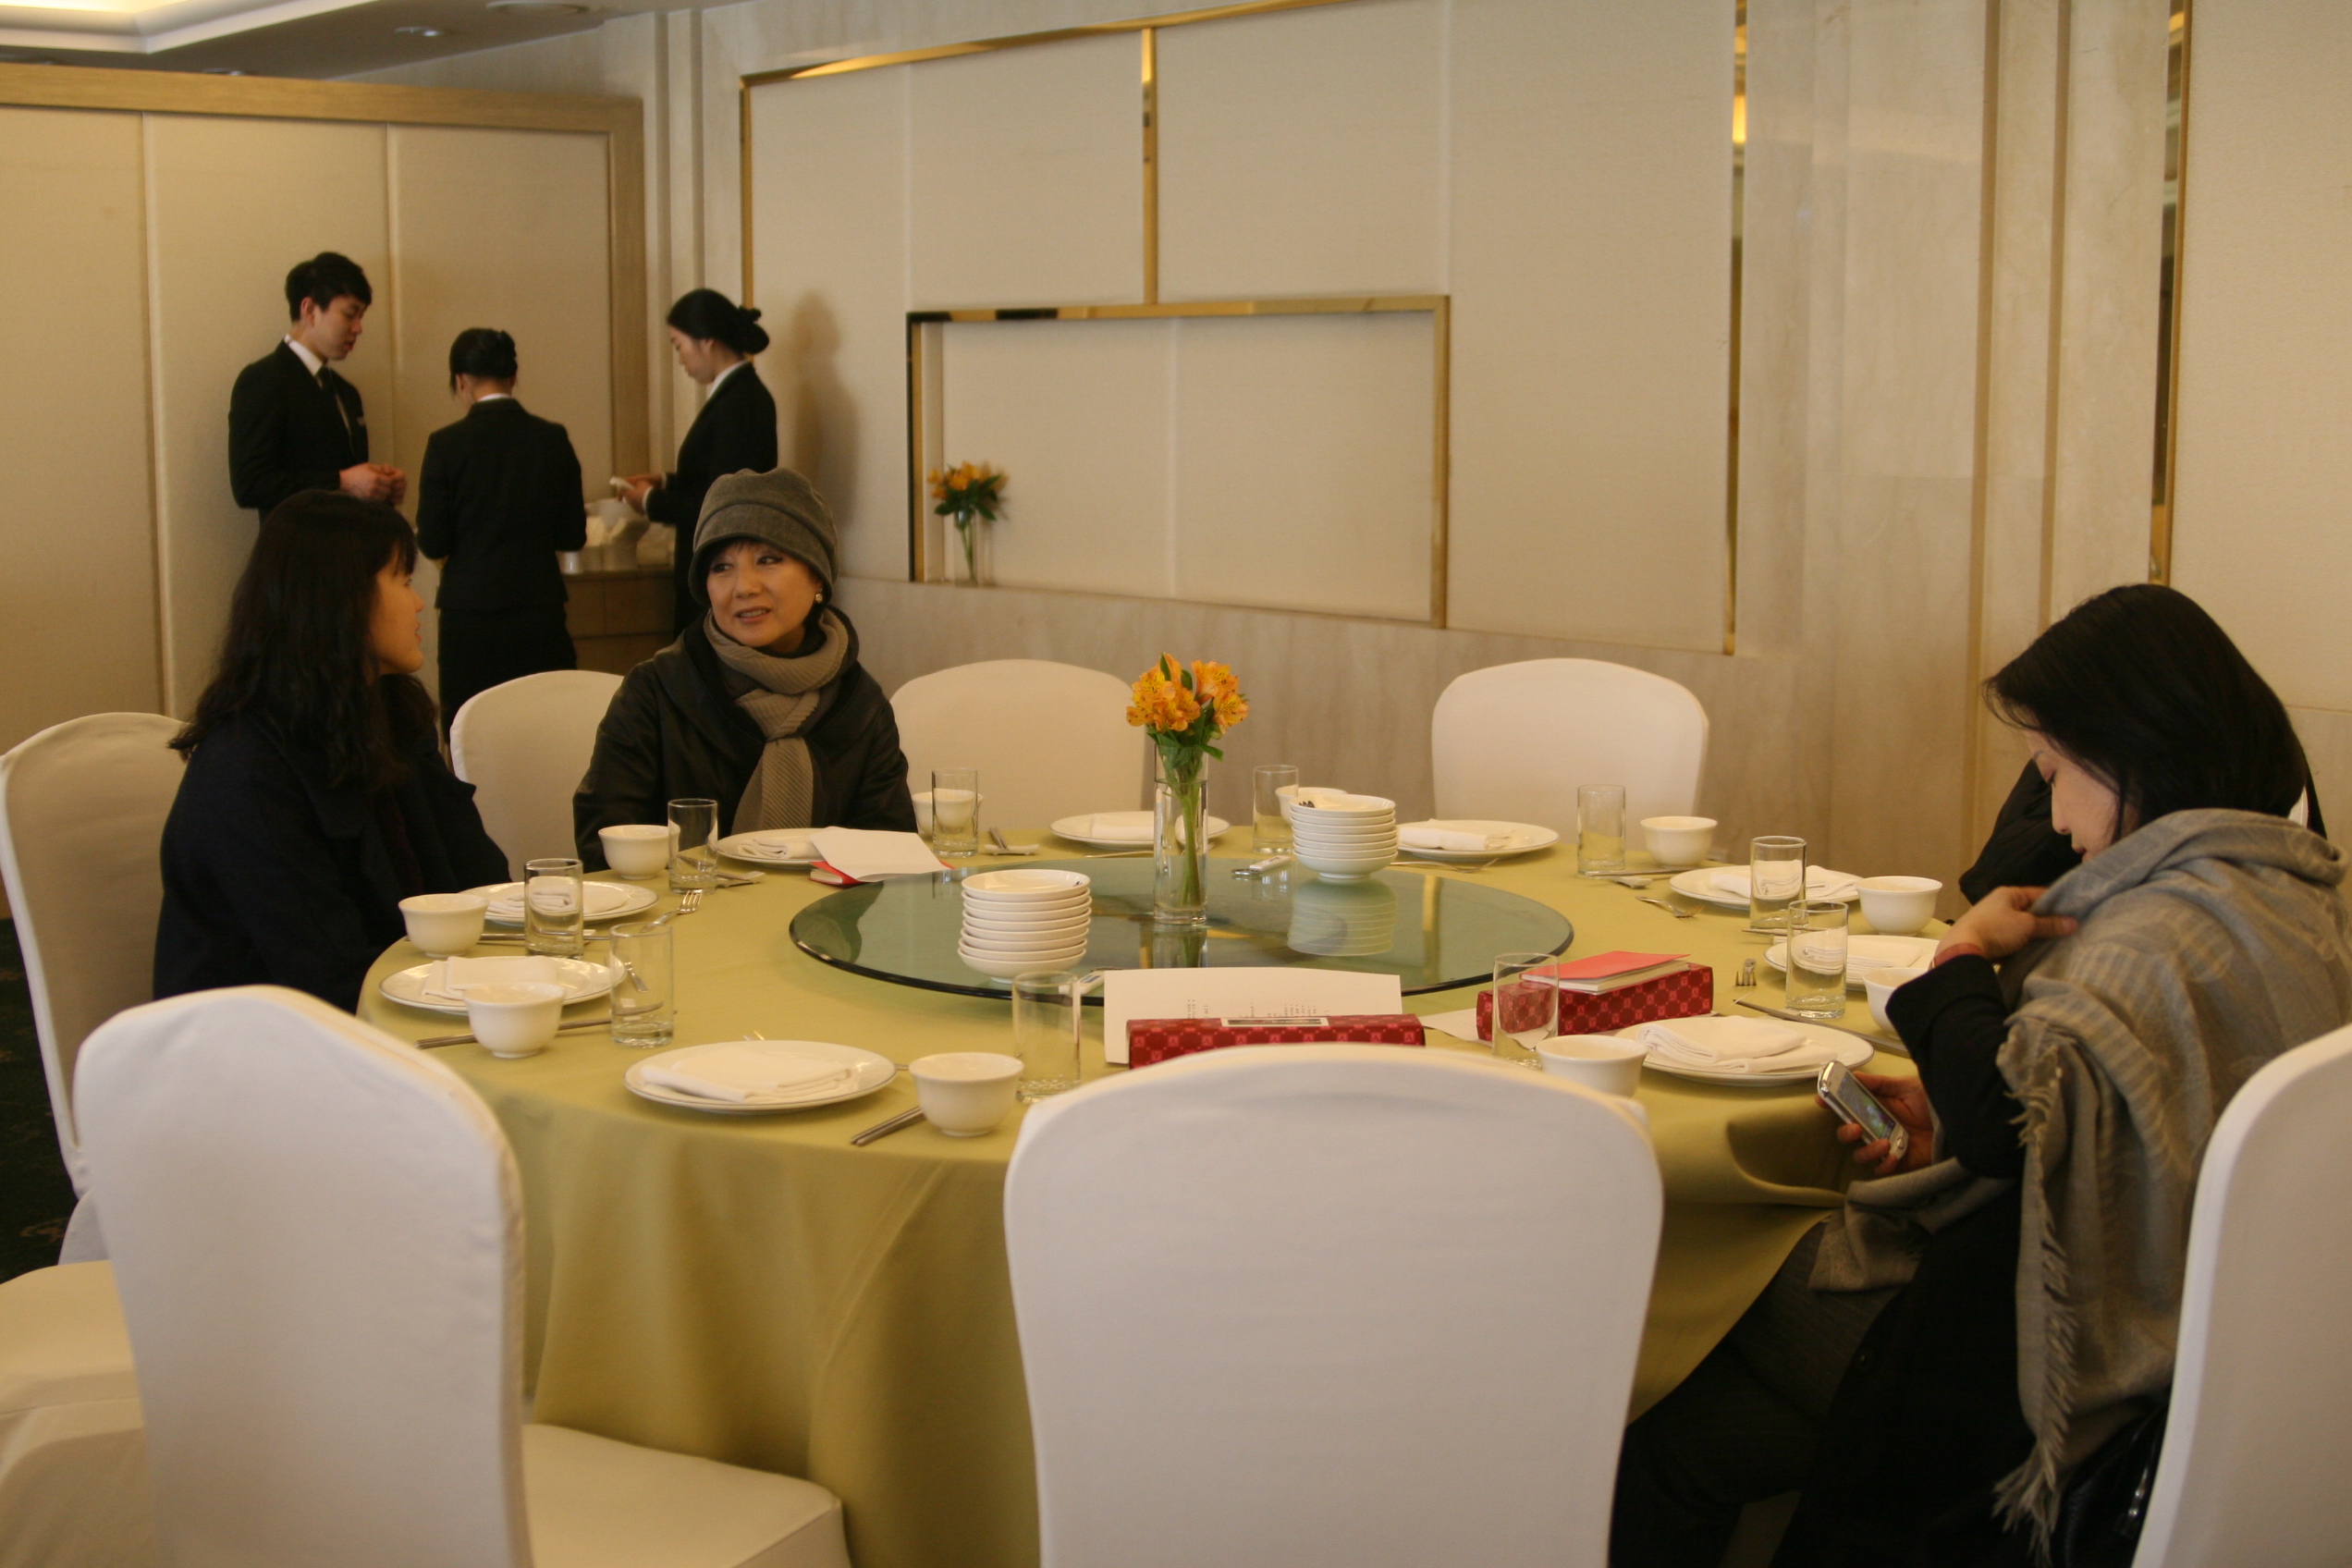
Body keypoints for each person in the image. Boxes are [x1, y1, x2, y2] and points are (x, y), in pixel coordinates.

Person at [1611, 583, 2352, 1568]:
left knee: (1706, 1287)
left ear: (2129, 753)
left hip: (2037, 1361)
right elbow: (2122, 1111)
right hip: (2226, 1353)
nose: (2052, 811)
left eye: (2055, 771)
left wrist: (1958, 959)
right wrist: (1949, 1123)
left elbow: (2010, 1122)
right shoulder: (2288, 891)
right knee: (1690, 1438)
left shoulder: (2144, 937)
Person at [155, 492, 509, 1013]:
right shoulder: (247, 769)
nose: (418, 604)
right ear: (341, 600)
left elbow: (482, 883)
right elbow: (327, 972)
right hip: (271, 1042)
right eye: (402, 580)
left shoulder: (391, 719)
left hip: (407, 1007)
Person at [573, 467, 914, 865]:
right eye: (721, 567)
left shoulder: (859, 701)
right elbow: (607, 843)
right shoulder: (657, 690)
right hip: (687, 902)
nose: (744, 586)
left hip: (825, 905)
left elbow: (890, 850)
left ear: (817, 577)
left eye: (768, 560)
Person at [415, 327, 588, 733]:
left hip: (469, 618)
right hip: (539, 613)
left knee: (471, 734)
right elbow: (572, 535)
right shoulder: (552, 439)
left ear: (461, 380)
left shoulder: (445, 445)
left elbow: (433, 541)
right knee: (547, 729)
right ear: (514, 376)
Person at [619, 289, 778, 632]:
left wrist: (650, 501)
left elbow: (724, 503)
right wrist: (666, 481)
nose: (680, 359)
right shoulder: (735, 395)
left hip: (722, 571)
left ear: (706, 340)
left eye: (679, 346)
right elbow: (715, 477)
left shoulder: (740, 402)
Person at [228, 251, 406, 519]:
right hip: (296, 542)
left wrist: (380, 488)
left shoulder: (346, 392)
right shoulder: (263, 380)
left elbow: (351, 481)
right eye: (350, 314)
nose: (359, 328)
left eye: (361, 316)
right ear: (310, 310)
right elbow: (250, 485)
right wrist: (342, 481)